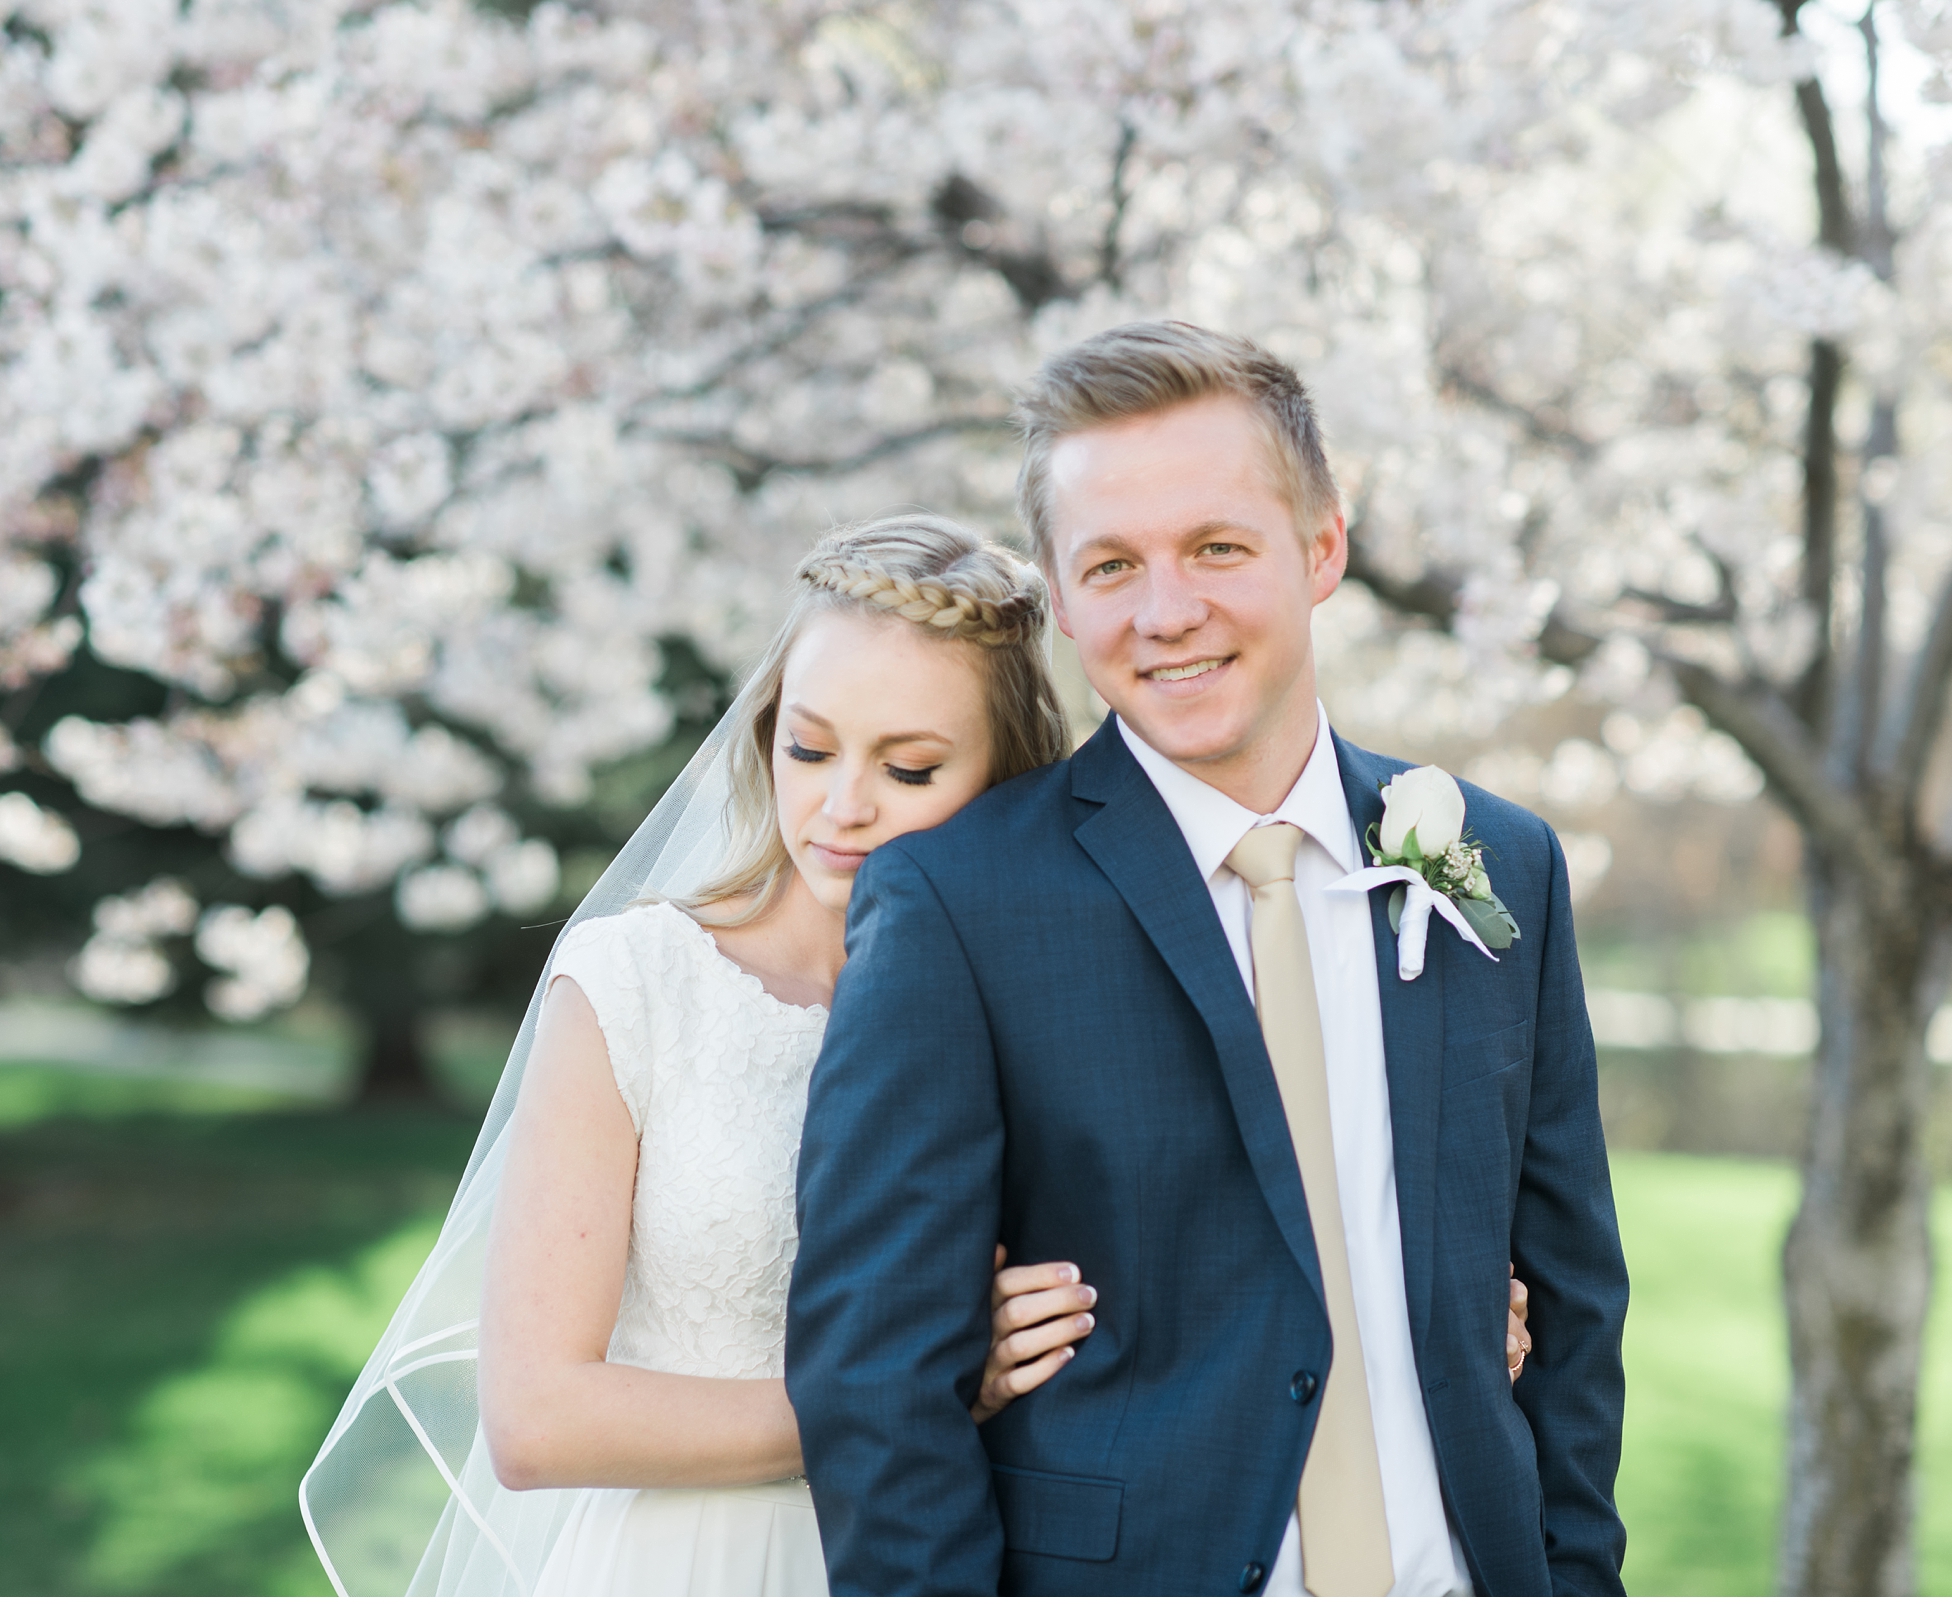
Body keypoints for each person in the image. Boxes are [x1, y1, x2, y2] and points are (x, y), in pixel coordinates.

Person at [303, 509, 1541, 1597]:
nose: (841, 806)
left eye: (908, 769)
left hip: (977, 1553)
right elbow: (536, 1420)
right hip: (698, 1564)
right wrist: (917, 1395)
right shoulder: (637, 986)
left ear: (1010, 786)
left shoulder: (1075, 988)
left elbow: (1228, 1231)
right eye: (807, 746)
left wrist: (1403, 1312)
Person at [787, 324, 1627, 1596]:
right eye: (1111, 565)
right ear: (1060, 601)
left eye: (1217, 548)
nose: (1167, 611)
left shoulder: (1499, 867)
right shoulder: (957, 903)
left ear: (1322, 546)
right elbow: (874, 1381)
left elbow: (1570, 1315)